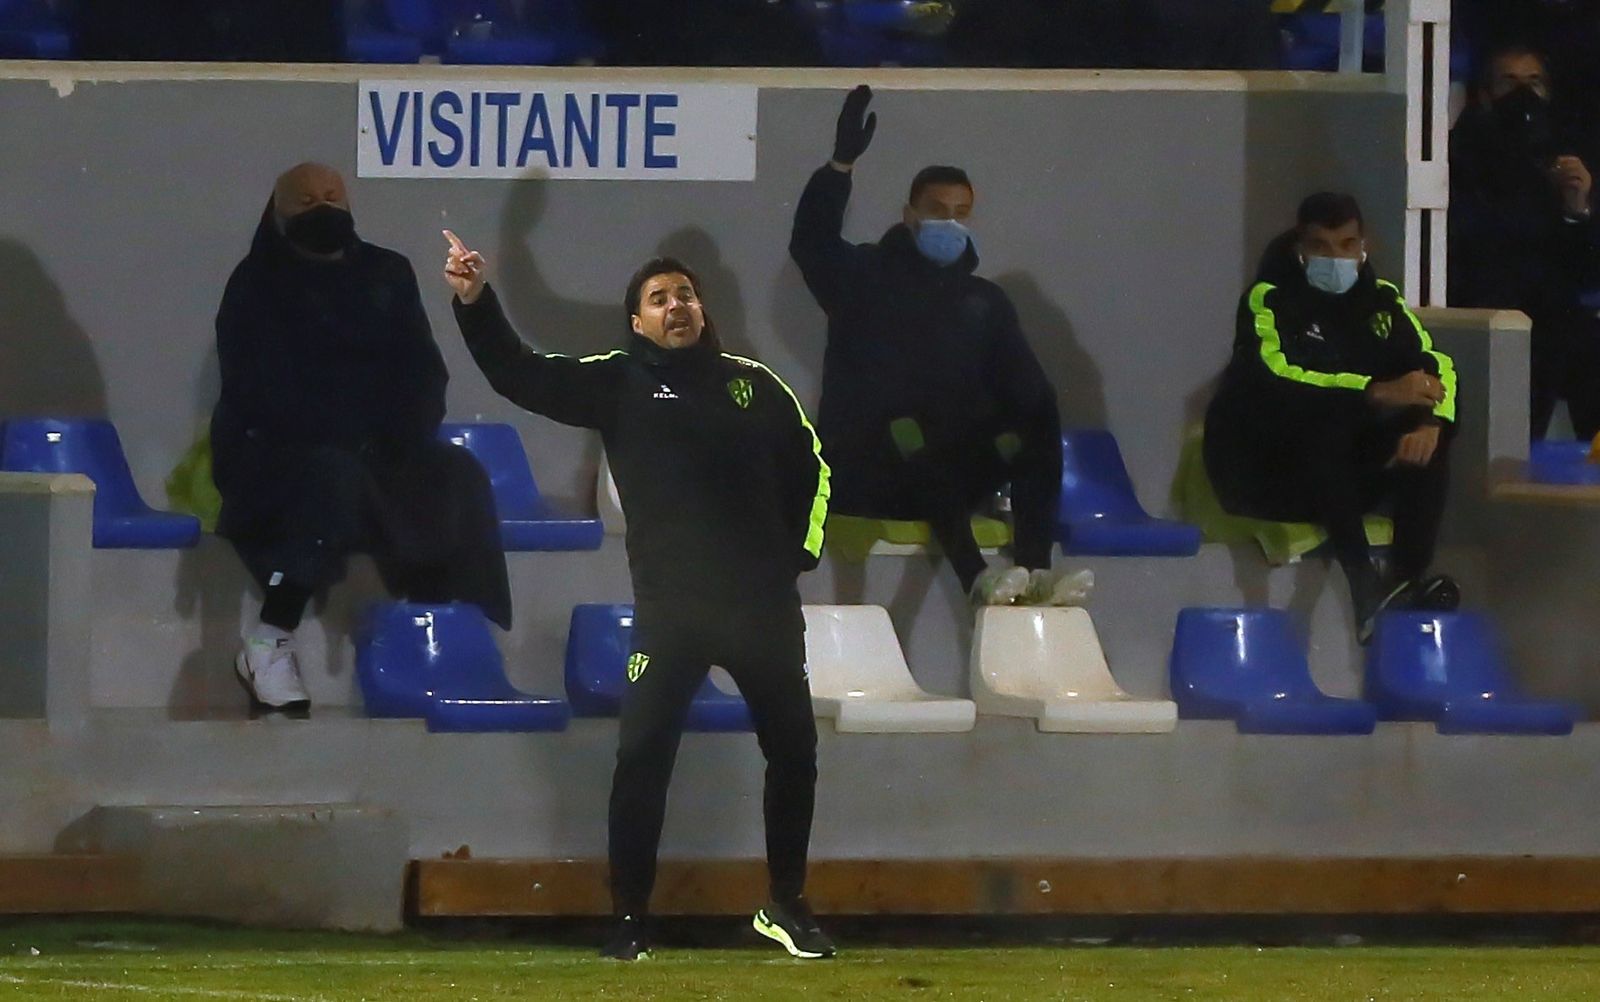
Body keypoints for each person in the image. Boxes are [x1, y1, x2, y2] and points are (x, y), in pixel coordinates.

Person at [443, 233, 834, 962]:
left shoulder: (755, 384)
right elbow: (516, 372)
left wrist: (798, 554)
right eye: (659, 300)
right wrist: (475, 301)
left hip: (763, 611)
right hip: (672, 614)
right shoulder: (616, 382)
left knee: (795, 754)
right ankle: (628, 918)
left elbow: (813, 464)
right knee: (643, 757)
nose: (676, 305)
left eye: (685, 294)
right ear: (637, 323)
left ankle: (787, 906)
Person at [212, 163, 510, 713]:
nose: (321, 208)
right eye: (304, 202)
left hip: (378, 445)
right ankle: (269, 636)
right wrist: (344, 432)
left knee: (458, 474)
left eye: (331, 196)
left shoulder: (387, 273)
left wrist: (399, 431)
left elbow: (423, 371)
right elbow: (257, 391)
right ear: (278, 215)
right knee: (333, 474)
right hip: (277, 451)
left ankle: (442, 626)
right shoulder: (254, 284)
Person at [790, 84, 1065, 607]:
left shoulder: (983, 301)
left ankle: (1035, 568)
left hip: (951, 472)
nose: (950, 223)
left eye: (961, 212)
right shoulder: (864, 277)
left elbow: (1026, 391)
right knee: (909, 422)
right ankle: (975, 576)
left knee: (1038, 413)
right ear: (909, 215)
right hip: (868, 467)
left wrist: (1024, 414)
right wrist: (839, 167)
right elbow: (811, 243)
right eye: (938, 210)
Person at [1204, 193, 1460, 643]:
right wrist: (1374, 393)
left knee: (1422, 435)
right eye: (1321, 246)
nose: (1336, 257)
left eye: (1346, 245)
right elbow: (1279, 382)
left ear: (1364, 247)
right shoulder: (1269, 301)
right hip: (1263, 473)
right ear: (1300, 248)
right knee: (1324, 425)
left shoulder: (1384, 303)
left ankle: (1403, 578)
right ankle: (1363, 584)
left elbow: (1437, 368)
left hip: (1336, 483)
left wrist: (1431, 422)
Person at [1448, 43, 1600, 438]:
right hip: (1485, 310)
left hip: (1554, 317)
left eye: (1534, 82)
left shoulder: (1565, 156)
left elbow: (1584, 272)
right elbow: (1476, 243)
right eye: (1509, 82)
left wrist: (1576, 209)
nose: (1524, 95)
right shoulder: (1460, 154)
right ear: (1483, 95)